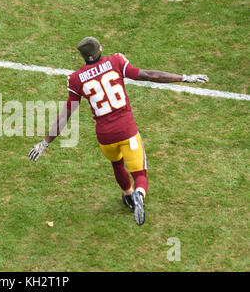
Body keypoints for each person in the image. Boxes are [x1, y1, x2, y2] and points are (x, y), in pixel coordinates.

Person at [28, 37, 209, 225]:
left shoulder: (75, 79)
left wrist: (45, 143)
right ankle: (139, 194)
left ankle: (128, 195)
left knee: (117, 164)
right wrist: (183, 77)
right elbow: (149, 75)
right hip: (127, 130)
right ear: (100, 50)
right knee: (140, 173)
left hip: (105, 137)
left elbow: (66, 114)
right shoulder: (115, 61)